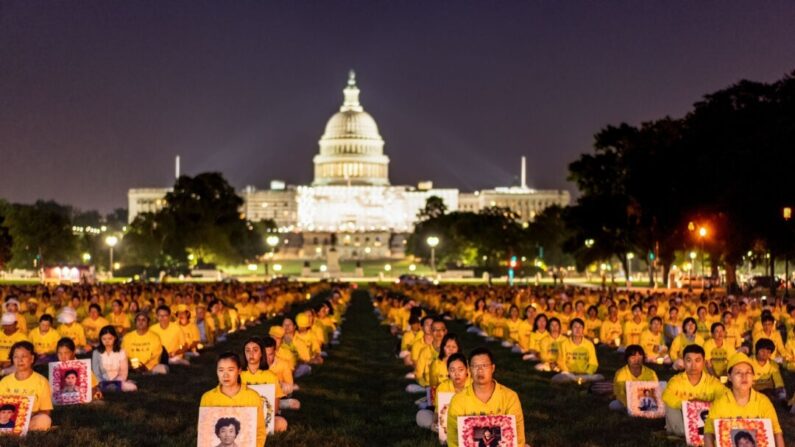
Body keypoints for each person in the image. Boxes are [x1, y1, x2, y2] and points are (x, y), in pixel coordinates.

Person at [447, 347, 525, 447]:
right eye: (475, 366)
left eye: (484, 365)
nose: (480, 370)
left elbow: (518, 435)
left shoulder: (510, 397)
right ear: (469, 370)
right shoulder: (458, 400)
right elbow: (453, 439)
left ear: (492, 368)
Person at [704, 352, 784, 447]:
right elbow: (708, 433)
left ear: (753, 377)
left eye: (748, 372)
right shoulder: (720, 403)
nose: (744, 376)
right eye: (738, 372)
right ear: (729, 377)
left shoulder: (763, 402)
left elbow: (776, 432)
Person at [199, 352, 265, 447]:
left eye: (230, 370)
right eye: (221, 370)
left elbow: (260, 431)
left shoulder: (252, 396)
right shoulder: (208, 398)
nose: (225, 375)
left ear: (239, 371)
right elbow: (204, 432)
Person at [661, 345, 726, 436]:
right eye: (689, 361)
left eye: (697, 360)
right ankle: (685, 433)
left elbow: (726, 396)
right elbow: (666, 396)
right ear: (683, 362)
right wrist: (687, 405)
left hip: (705, 419)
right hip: (682, 419)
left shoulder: (712, 382)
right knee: (670, 407)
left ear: (703, 362)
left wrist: (702, 404)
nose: (693, 365)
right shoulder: (676, 380)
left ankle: (703, 432)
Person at [0, 341, 52, 430]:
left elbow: (46, 411)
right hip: (7, 419)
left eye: (23, 356)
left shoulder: (42, 381)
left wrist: (28, 416)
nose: (20, 360)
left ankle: (16, 431)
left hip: (31, 420)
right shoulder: (4, 382)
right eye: (16, 357)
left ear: (32, 358)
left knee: (44, 420)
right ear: (12, 359)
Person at [241, 337, 287, 432]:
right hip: (244, 416)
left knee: (282, 423)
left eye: (255, 350)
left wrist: (266, 418)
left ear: (262, 353)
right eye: (247, 351)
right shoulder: (239, 376)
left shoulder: (270, 376)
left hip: (265, 417)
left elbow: (275, 402)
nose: (251, 354)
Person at [552, 318, 603, 383]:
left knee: (600, 377)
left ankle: (578, 379)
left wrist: (587, 373)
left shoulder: (589, 344)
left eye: (580, 327)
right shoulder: (564, 344)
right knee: (556, 378)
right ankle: (577, 379)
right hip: (569, 374)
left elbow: (593, 363)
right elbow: (561, 362)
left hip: (585, 374)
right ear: (571, 329)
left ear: (583, 330)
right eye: (575, 327)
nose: (578, 329)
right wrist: (568, 372)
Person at [609, 345, 659, 411]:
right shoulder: (621, 373)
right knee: (614, 405)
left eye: (639, 357)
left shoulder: (651, 373)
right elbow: (619, 393)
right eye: (633, 357)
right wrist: (630, 405)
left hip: (647, 401)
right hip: (628, 401)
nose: (636, 360)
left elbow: (656, 390)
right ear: (627, 359)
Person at [91, 325, 137, 392]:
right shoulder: (96, 352)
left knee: (132, 387)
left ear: (114, 338)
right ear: (100, 339)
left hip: (117, 380)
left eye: (110, 338)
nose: (107, 341)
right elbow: (96, 372)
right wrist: (102, 382)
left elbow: (124, 372)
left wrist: (116, 382)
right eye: (104, 339)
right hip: (101, 382)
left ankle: (113, 387)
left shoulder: (121, 352)